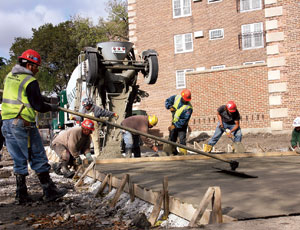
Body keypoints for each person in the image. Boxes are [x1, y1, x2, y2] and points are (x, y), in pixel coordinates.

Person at [1, 49, 67, 204]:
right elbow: (37, 105)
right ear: (30, 65)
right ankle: (49, 190)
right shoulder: (29, 81)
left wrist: (43, 98)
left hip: (7, 122)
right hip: (23, 123)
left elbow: (24, 96)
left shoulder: (9, 77)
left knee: (18, 158)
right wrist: (52, 107)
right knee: (37, 154)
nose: (37, 70)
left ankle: (21, 194)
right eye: (37, 66)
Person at [165, 89, 193, 155]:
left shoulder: (189, 108)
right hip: (174, 122)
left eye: (187, 100)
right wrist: (169, 106)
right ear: (182, 97)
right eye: (185, 99)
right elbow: (167, 101)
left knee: (182, 140)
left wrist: (174, 126)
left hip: (182, 126)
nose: (186, 101)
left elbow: (184, 120)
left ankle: (183, 155)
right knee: (172, 138)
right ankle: (172, 153)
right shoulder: (176, 98)